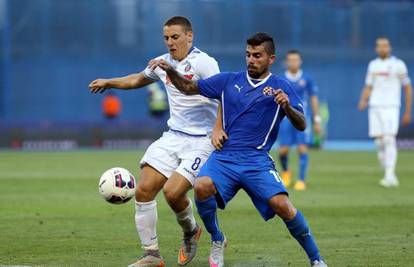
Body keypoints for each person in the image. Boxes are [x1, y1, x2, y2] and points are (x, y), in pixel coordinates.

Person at [149, 32, 327, 267]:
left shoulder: (281, 86)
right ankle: (217, 239)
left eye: (257, 56)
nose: (251, 60)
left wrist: (288, 106)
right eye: (248, 55)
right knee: (201, 185)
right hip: (225, 157)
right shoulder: (228, 81)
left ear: (270, 59)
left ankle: (316, 260)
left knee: (283, 206)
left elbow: (302, 123)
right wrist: (171, 70)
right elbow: (189, 87)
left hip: (257, 160)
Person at [89, 16, 221, 267]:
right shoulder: (162, 62)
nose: (170, 42)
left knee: (172, 193)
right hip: (173, 137)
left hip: (202, 141)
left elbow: (223, 94)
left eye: (175, 37)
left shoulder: (204, 62)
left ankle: (190, 230)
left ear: (189, 36)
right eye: (166, 38)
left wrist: (217, 129)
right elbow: (138, 79)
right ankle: (151, 254)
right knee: (144, 190)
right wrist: (109, 82)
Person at [358, 37, 412, 188]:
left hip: (391, 106)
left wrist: (407, 111)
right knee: (379, 141)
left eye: (385, 46)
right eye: (380, 46)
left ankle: (389, 175)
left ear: (390, 48)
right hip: (375, 106)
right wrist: (363, 99)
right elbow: (369, 85)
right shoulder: (373, 65)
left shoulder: (398, 65)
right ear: (376, 49)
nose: (383, 48)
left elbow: (407, 87)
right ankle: (390, 172)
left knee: (389, 139)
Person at [278, 50, 322, 191]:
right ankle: (286, 173)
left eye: (296, 60)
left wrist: (316, 119)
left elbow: (313, 99)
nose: (293, 62)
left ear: (300, 61)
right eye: (290, 60)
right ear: (286, 62)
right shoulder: (280, 80)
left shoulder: (307, 79)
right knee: (283, 151)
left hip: (302, 119)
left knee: (302, 148)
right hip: (285, 119)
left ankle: (301, 180)